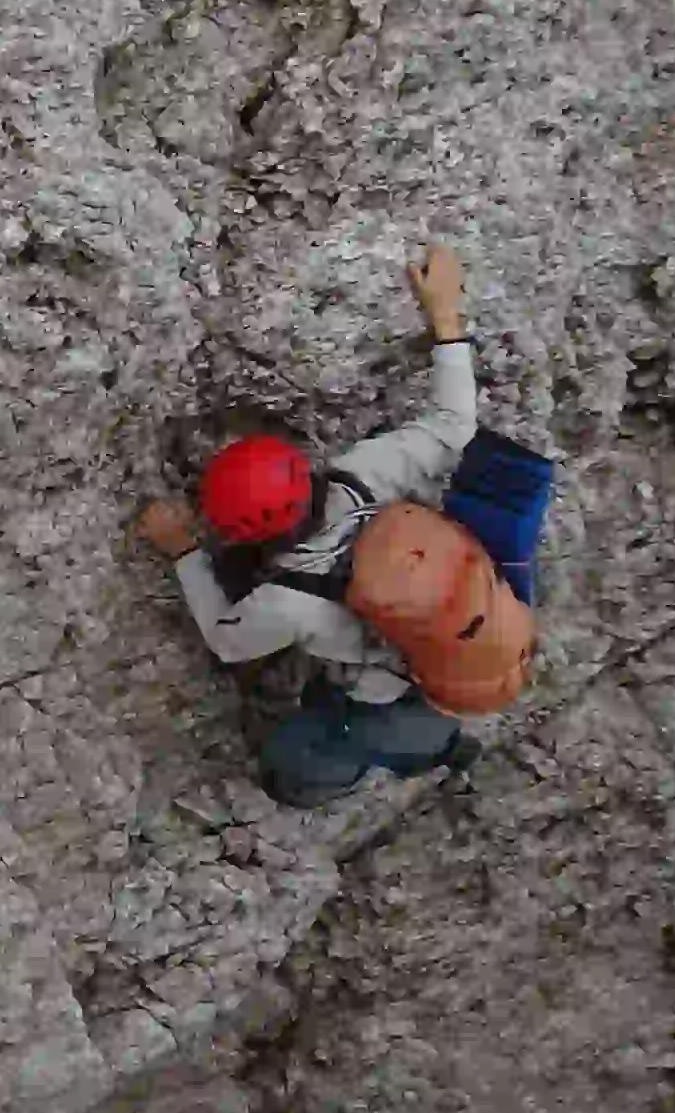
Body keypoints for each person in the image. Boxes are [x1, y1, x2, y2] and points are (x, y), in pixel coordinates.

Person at [135, 242, 486, 806]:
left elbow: (227, 641)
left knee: (301, 758)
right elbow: (455, 424)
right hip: (458, 622)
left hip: (388, 694)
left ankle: (326, 780)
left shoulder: (285, 602)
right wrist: (444, 314)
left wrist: (183, 553)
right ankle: (446, 745)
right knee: (406, 708)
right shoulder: (362, 476)